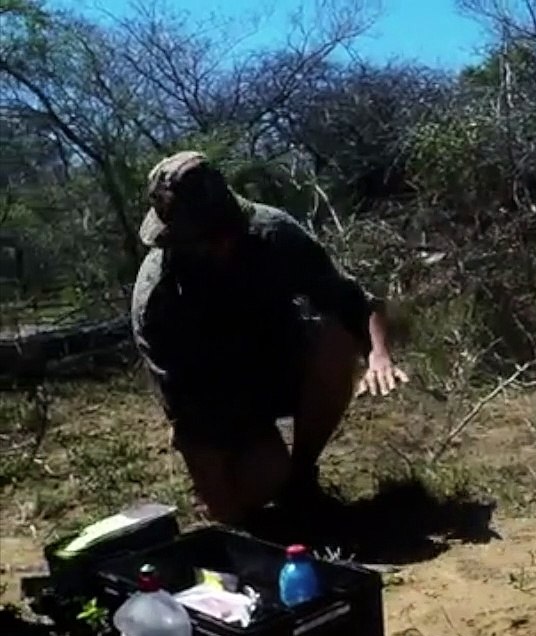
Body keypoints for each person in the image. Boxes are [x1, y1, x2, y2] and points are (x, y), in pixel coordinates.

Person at [129, 150, 409, 528]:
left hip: (278, 361)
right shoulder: (157, 301)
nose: (220, 245)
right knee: (253, 491)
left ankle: (302, 476)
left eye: (223, 230)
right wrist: (230, 518)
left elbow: (353, 301)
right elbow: (188, 419)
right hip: (217, 396)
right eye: (204, 238)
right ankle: (259, 486)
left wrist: (379, 355)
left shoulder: (272, 232)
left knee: (334, 339)